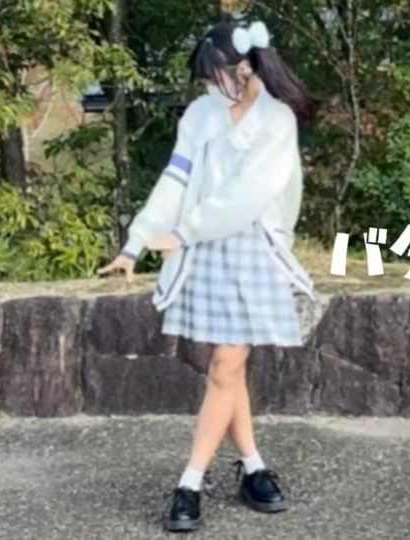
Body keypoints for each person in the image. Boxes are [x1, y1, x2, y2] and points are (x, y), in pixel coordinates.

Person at [98, 19, 317, 533]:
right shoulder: (202, 113)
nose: (208, 84)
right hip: (207, 253)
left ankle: (190, 483)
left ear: (244, 67)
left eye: (213, 73)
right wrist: (136, 242)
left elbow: (249, 196)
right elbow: (175, 178)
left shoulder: (276, 120)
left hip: (253, 250)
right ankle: (253, 467)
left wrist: (184, 232)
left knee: (224, 366)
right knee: (228, 370)